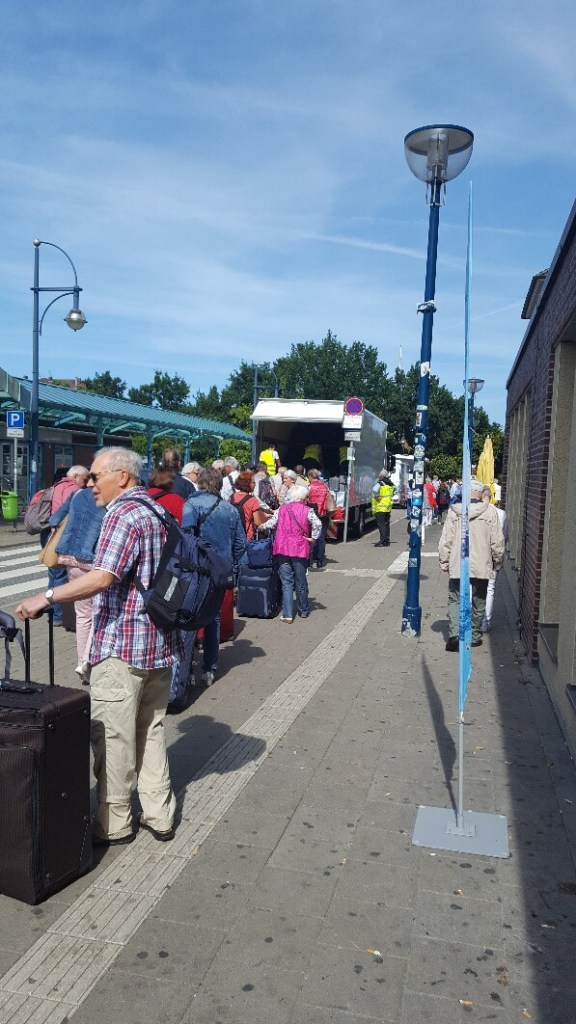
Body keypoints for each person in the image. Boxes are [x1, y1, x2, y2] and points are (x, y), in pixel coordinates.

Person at [16, 447, 181, 846]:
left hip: (122, 645)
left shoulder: (123, 513)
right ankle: (160, 813)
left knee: (113, 737)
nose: (89, 485)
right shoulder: (157, 510)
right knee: (152, 731)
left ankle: (114, 822)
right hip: (158, 643)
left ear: (121, 476)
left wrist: (48, 598)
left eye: (95, 476)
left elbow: (104, 578)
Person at [182, 467, 246, 686]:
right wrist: (230, 564)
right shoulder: (230, 510)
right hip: (219, 571)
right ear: (219, 485)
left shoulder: (191, 504)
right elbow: (241, 545)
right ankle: (209, 669)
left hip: (196, 569)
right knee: (213, 618)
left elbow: (186, 537)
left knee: (190, 618)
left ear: (200, 483)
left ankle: (187, 668)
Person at [48, 484, 106, 682]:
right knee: (99, 613)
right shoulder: (108, 496)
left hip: (70, 558)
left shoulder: (77, 494)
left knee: (82, 615)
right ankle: (87, 661)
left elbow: (54, 519)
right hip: (93, 560)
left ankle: (82, 663)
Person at [438, 478, 505, 651]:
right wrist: (498, 561)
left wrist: (444, 561)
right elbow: (497, 542)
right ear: (481, 493)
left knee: (455, 598)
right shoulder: (490, 512)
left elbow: (446, 539)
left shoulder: (455, 511)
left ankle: (455, 635)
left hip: (458, 563)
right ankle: (474, 636)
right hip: (482, 564)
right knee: (478, 599)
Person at [259, 485, 321, 623]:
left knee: (286, 582)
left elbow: (272, 523)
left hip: (282, 547)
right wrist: (313, 539)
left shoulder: (282, 509)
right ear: (303, 497)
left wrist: (261, 526)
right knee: (301, 581)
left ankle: (287, 614)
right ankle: (303, 610)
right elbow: (317, 524)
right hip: (299, 548)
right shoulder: (308, 510)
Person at [37, 465, 89, 626]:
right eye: (84, 478)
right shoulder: (73, 489)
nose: (86, 482)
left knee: (53, 575)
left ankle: (50, 607)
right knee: (61, 576)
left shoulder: (56, 486)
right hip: (63, 536)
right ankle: (58, 615)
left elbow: (54, 517)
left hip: (51, 534)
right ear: (76, 476)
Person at [482, 494, 508, 632]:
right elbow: (505, 536)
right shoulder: (501, 514)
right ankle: (485, 623)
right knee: (489, 589)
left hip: (476, 557)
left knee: (471, 587)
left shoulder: (475, 511)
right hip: (493, 557)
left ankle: (472, 621)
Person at [230, 470, 269, 540]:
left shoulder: (231, 497)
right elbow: (257, 522)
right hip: (247, 536)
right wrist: (267, 518)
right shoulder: (252, 500)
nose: (255, 484)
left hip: (233, 535)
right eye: (253, 482)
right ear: (247, 484)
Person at [307, 468, 330, 568]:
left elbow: (306, 500)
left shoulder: (309, 487)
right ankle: (320, 560)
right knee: (321, 537)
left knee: (313, 536)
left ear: (311, 476)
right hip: (323, 515)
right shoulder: (325, 487)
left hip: (312, 514)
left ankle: (311, 560)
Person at [371, 469, 394, 547]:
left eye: (380, 476)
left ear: (382, 476)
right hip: (387, 507)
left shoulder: (380, 483)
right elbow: (395, 491)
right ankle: (387, 540)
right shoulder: (391, 484)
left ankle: (382, 541)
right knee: (386, 524)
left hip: (380, 507)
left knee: (381, 525)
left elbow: (374, 490)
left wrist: (377, 497)